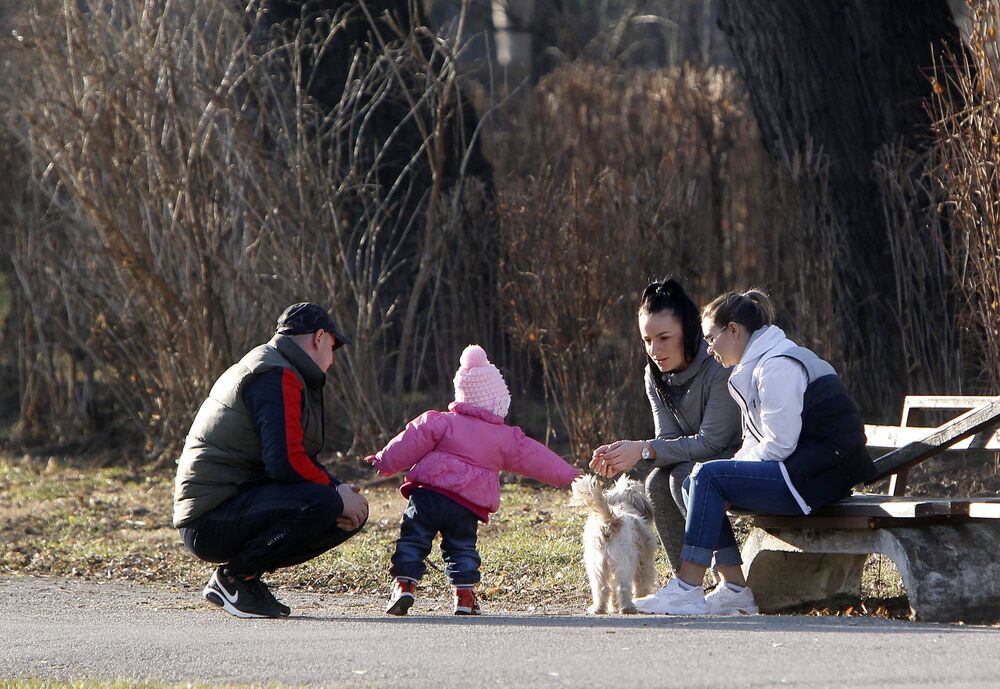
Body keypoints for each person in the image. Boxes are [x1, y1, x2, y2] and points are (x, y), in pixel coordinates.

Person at [631, 288, 876, 615]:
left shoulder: (777, 365)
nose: (708, 347)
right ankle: (733, 588)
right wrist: (731, 473)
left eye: (711, 337)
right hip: (802, 471)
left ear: (733, 330)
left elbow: (779, 444)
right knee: (696, 479)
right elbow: (757, 441)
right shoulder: (754, 366)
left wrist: (728, 477)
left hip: (818, 478)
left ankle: (688, 588)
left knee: (707, 476)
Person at [173, 302, 369, 619]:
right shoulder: (275, 375)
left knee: (343, 507)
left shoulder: (276, 366)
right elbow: (285, 462)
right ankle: (235, 579)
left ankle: (245, 578)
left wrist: (340, 489)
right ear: (319, 338)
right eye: (333, 347)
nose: (332, 359)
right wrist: (334, 495)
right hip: (208, 520)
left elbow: (292, 458)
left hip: (229, 504)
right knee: (325, 505)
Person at [366, 344, 579, 616]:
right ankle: (464, 597)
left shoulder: (441, 421)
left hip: (427, 495)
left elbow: (412, 438)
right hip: (465, 504)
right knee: (461, 548)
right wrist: (570, 476)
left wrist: (385, 461)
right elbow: (536, 457)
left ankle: (404, 586)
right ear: (498, 401)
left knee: (413, 539)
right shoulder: (505, 438)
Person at [590, 279, 741, 584]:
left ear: (687, 330)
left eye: (663, 338)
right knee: (657, 482)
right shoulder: (654, 373)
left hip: (740, 455)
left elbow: (713, 441)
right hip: (699, 459)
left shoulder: (717, 364)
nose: (655, 350)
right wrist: (629, 454)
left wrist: (644, 450)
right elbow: (669, 441)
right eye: (647, 340)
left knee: (683, 477)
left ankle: (728, 582)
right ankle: (686, 583)